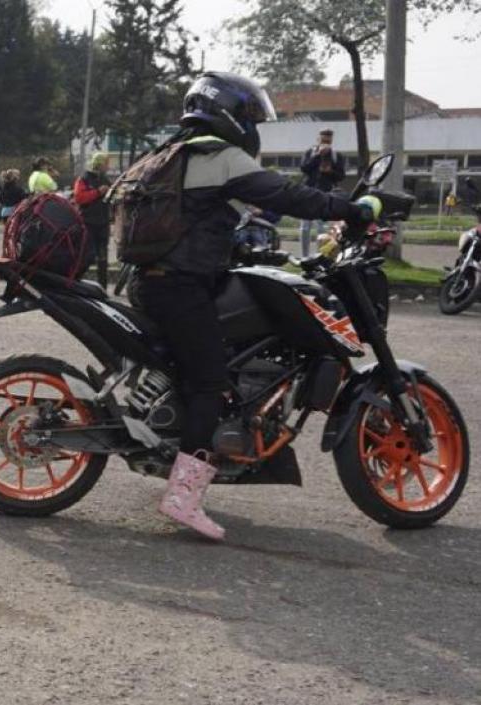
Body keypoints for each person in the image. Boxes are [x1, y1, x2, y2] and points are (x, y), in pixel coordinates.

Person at [128, 72, 374, 540]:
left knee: (196, 368)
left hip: (153, 283)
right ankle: (183, 497)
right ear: (229, 115)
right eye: (248, 116)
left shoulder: (171, 152)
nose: (252, 126)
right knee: (210, 383)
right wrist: (352, 209)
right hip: (181, 287)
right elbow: (286, 194)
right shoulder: (219, 156)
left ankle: (172, 450)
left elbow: (197, 225)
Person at [298, 129, 345, 256]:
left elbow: (341, 176)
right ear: (318, 139)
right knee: (305, 227)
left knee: (322, 227)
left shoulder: (336, 156)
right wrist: (318, 155)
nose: (326, 143)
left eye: (328, 141)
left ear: (332, 141)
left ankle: (320, 256)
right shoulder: (310, 152)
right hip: (308, 192)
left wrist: (330, 172)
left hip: (326, 194)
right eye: (323, 140)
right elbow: (304, 168)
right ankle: (304, 256)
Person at [72, 152, 113, 290]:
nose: (108, 166)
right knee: (87, 255)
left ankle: (103, 288)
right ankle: (74, 282)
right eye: (106, 163)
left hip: (103, 222)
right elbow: (79, 198)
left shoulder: (106, 179)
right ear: (99, 164)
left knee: (103, 257)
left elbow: (113, 196)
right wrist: (98, 192)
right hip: (88, 222)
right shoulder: (84, 179)